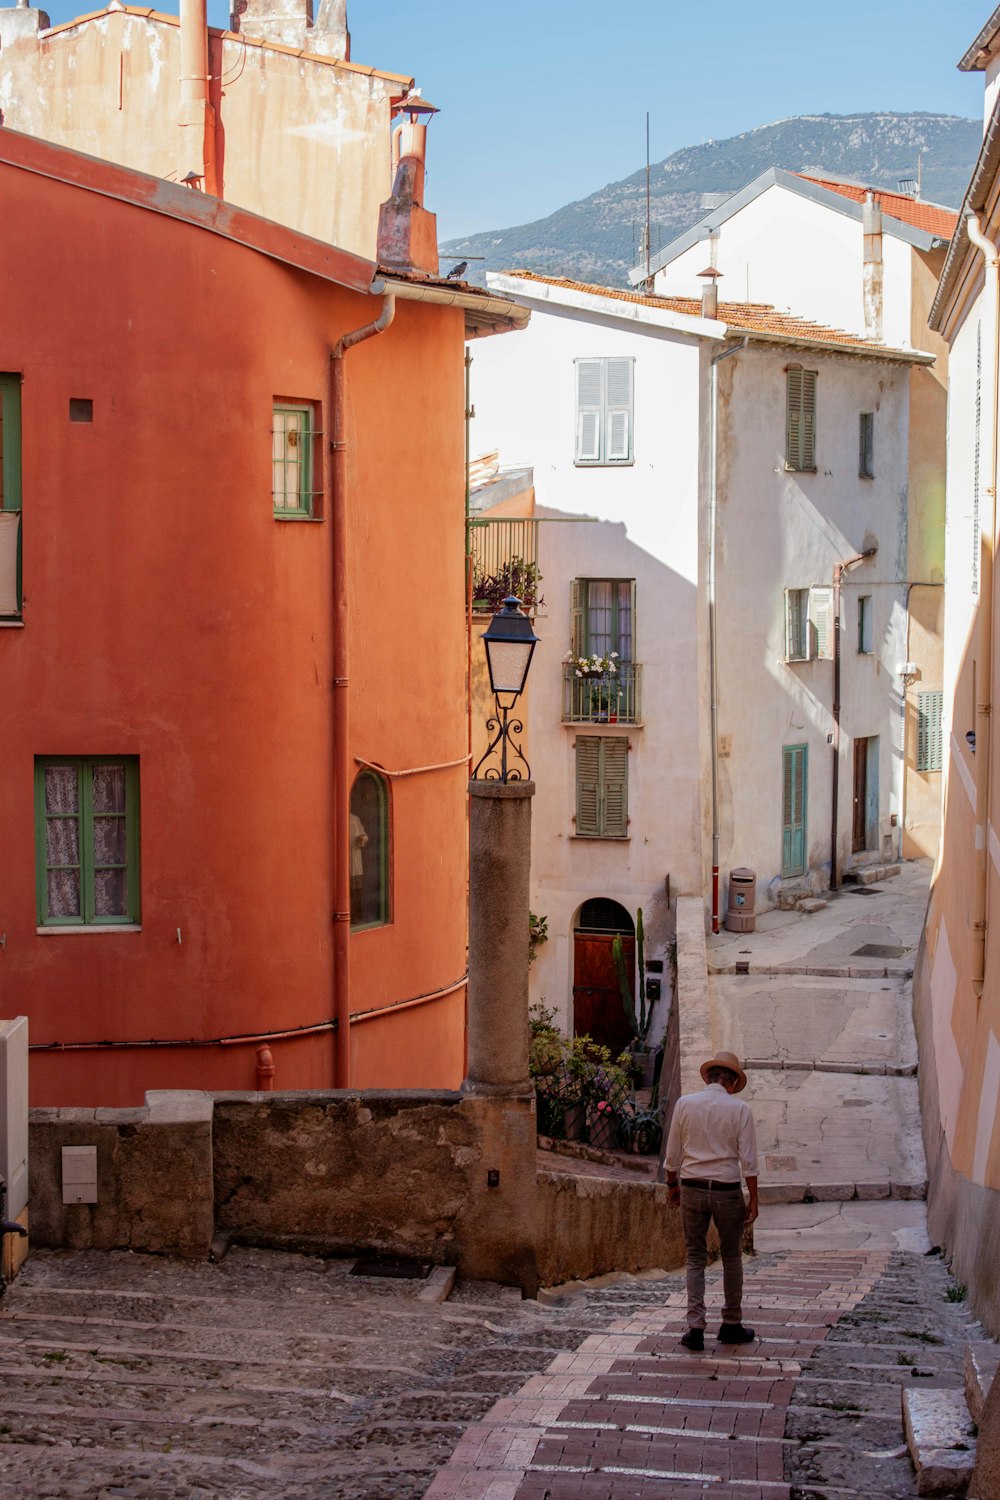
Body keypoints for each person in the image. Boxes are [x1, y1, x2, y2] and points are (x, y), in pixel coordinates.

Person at [662, 1049, 759, 1351]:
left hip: (691, 1186)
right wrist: (754, 1197)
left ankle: (695, 1328)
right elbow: (749, 1161)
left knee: (695, 1257)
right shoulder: (740, 1110)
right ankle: (731, 1322)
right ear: (731, 1083)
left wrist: (672, 1185)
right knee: (731, 1257)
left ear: (710, 1079)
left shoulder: (685, 1104)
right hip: (727, 1189)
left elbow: (673, 1153)